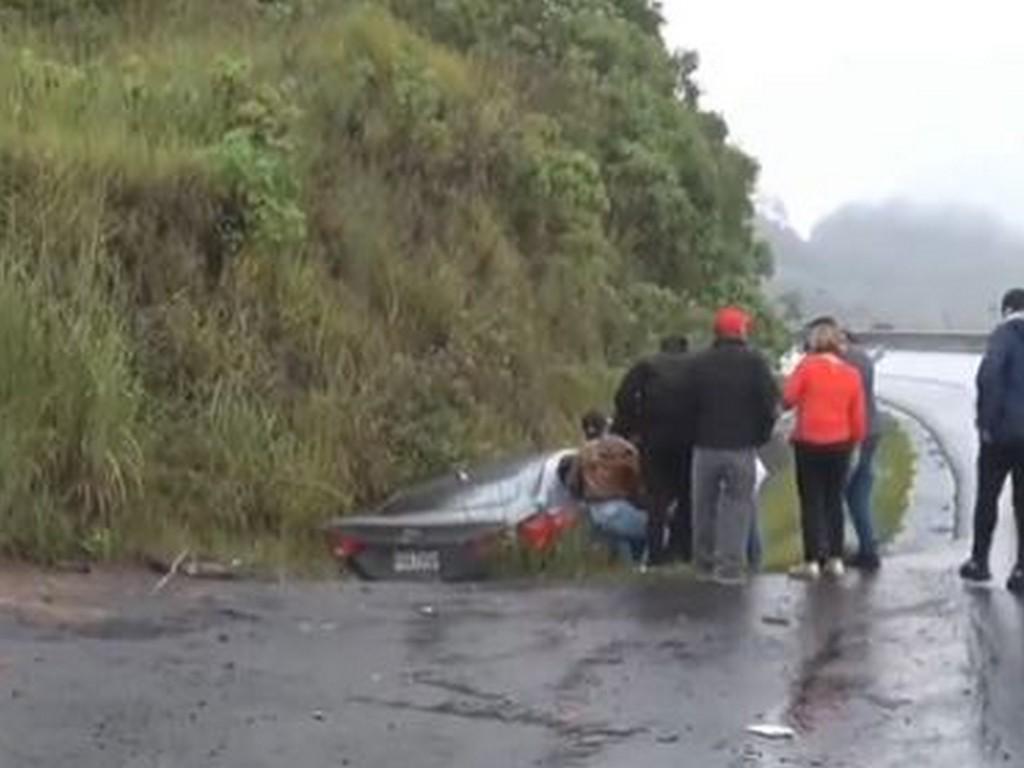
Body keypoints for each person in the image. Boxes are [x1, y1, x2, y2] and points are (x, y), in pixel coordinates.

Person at [688, 307, 779, 584]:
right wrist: (760, 436)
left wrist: (695, 432)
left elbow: (686, 404)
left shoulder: (700, 363)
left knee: (703, 506)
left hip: (705, 446)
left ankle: (703, 564)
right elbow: (769, 406)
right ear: (742, 331)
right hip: (741, 447)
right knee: (738, 507)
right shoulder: (756, 363)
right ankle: (729, 569)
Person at [784, 320, 867, 580]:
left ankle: (812, 561)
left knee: (811, 502)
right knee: (834, 501)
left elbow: (788, 398)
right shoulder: (851, 374)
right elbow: (858, 416)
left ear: (813, 343)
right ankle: (835, 558)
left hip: (809, 443)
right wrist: (855, 441)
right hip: (840, 443)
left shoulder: (807, 367)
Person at [960, 288, 1024, 595]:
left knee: (988, 496)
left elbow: (989, 377)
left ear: (1006, 309)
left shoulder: (1004, 335)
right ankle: (1021, 569)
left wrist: (986, 422)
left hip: (1000, 434)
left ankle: (979, 561)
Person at [612, 336, 694, 565]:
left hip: (654, 440)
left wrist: (632, 427)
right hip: (688, 442)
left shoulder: (646, 365)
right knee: (687, 498)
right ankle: (682, 551)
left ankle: (656, 555)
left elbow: (623, 397)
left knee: (657, 500)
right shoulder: (697, 366)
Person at [568, 417, 649, 564]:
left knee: (620, 539)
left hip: (594, 509)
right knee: (653, 529)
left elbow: (572, 484)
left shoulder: (583, 452)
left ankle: (628, 565)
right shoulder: (625, 448)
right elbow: (637, 480)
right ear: (606, 426)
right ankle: (644, 565)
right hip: (618, 505)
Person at [840, 328, 882, 571]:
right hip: (872, 430)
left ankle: (830, 550)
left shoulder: (841, 361)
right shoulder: (864, 358)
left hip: (848, 433)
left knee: (832, 494)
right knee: (860, 493)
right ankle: (868, 548)